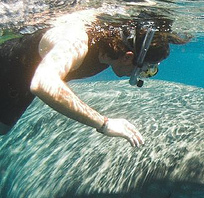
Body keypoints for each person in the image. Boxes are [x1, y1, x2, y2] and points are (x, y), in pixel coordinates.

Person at [0, 10, 190, 146]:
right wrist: (104, 124)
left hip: (16, 85)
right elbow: (43, 83)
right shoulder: (76, 40)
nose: (143, 76)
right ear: (128, 57)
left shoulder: (110, 50)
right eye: (146, 70)